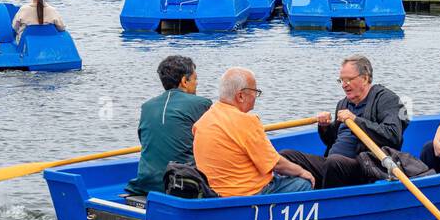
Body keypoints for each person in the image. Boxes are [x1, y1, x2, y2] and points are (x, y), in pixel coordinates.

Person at [279, 55, 408, 189]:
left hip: (366, 167)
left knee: (334, 163)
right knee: (285, 156)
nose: (344, 85)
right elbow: (332, 141)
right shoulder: (343, 104)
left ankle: (327, 202)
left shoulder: (386, 99)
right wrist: (324, 127)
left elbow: (393, 136)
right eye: (341, 80)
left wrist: (356, 120)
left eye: (349, 80)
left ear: (365, 78)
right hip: (332, 164)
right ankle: (300, 194)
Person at [193, 68, 315, 196]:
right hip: (247, 194)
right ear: (240, 96)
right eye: (255, 91)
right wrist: (302, 172)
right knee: (303, 183)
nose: (256, 96)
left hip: (212, 192)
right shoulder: (247, 121)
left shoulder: (203, 121)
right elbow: (275, 163)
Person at [126, 56, 212, 195]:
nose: (197, 83)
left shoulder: (147, 107)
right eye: (195, 79)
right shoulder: (202, 104)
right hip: (181, 185)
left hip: (145, 184)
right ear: (184, 81)